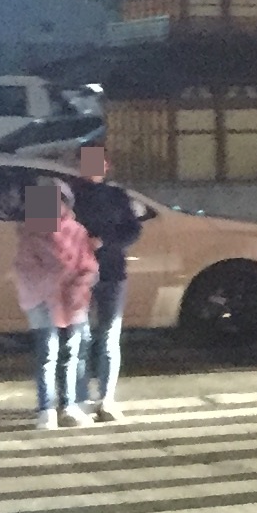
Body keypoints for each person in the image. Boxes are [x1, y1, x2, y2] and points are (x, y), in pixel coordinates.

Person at [69, 143, 149, 423]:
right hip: (75, 274)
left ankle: (106, 399)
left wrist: (104, 241)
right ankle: (76, 400)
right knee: (77, 338)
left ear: (106, 165)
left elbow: (133, 230)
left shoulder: (117, 195)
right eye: (86, 161)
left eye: (98, 161)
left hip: (112, 271)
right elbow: (42, 232)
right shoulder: (67, 194)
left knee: (108, 336)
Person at [10, 175, 98, 431]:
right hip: (42, 301)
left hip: (74, 300)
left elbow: (88, 265)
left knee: (71, 353)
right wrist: (59, 276)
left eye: (58, 201)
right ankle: (46, 409)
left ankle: (69, 405)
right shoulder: (30, 234)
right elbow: (26, 270)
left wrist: (78, 284)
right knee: (48, 354)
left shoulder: (77, 231)